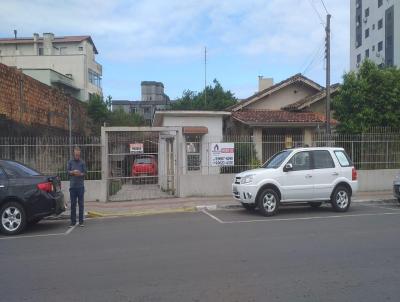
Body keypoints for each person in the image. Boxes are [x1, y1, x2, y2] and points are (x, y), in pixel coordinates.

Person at [67, 146, 87, 227]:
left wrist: (80, 173)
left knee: (81, 204)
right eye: (76, 154)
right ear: (74, 153)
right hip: (72, 187)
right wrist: (73, 172)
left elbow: (85, 173)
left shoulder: (82, 162)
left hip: (80, 187)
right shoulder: (70, 162)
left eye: (78, 155)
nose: (77, 156)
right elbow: (67, 172)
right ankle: (73, 222)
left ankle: (81, 221)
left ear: (80, 153)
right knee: (73, 204)